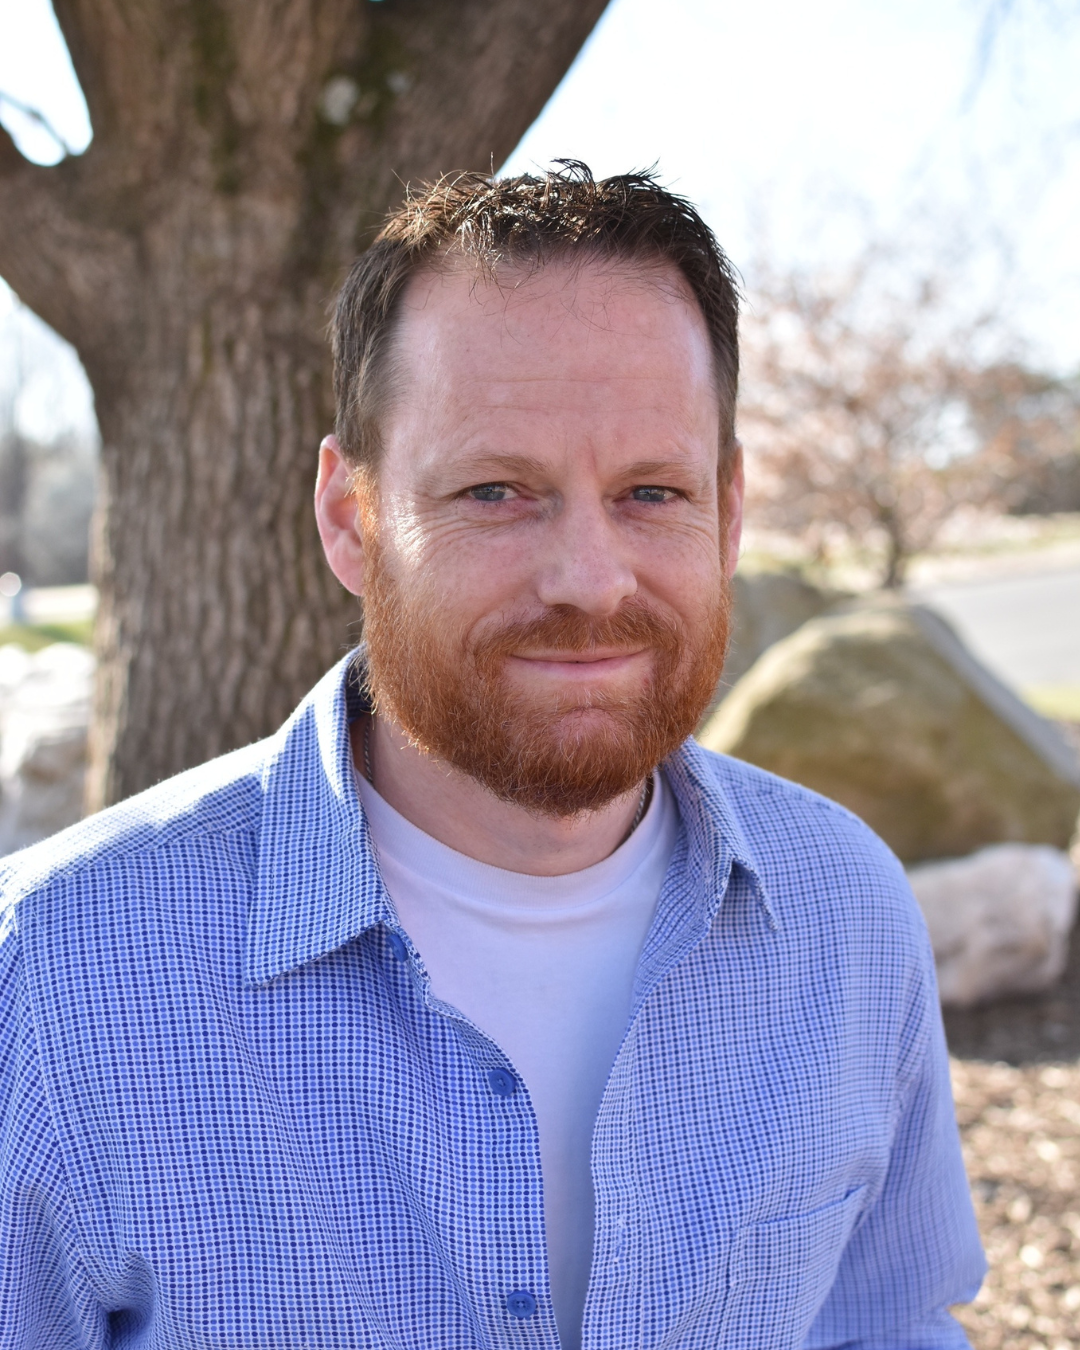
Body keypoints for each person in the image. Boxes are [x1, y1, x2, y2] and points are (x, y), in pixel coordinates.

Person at [1, 164, 984, 1349]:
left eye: (651, 491)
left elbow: (890, 1326)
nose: (589, 579)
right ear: (351, 518)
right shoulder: (58, 978)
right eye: (497, 491)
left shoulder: (848, 912)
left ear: (728, 516)